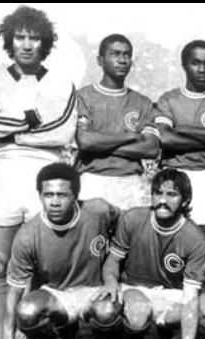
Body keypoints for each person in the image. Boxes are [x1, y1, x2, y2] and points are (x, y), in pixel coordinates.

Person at [0, 6, 77, 339]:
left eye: (34, 37)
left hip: (45, 176)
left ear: (45, 42)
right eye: (20, 36)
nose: (27, 44)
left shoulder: (62, 84)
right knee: (0, 264)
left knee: (40, 266)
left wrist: (12, 130)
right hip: (1, 176)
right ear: (9, 40)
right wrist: (30, 121)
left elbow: (62, 130)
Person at [89, 168, 205, 339]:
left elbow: (190, 297)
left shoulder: (195, 238)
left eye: (172, 194)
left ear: (185, 200)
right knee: (136, 312)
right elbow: (112, 261)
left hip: (172, 294)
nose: (163, 200)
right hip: (134, 288)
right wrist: (111, 281)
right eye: (158, 193)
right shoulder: (133, 218)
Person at [0, 163, 120, 339]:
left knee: (108, 309)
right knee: (26, 311)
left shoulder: (98, 211)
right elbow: (13, 296)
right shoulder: (28, 235)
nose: (54, 202)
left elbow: (124, 232)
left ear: (75, 196)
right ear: (40, 196)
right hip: (57, 295)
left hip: (94, 290)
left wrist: (113, 274)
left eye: (62, 195)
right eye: (48, 195)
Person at [155, 40, 205, 237]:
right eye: (195, 63)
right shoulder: (169, 98)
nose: (202, 69)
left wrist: (181, 129)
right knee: (170, 235)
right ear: (184, 65)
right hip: (174, 174)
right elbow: (165, 138)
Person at [74, 34, 161, 209]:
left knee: (129, 235)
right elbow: (85, 142)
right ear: (100, 60)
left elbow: (151, 149)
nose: (122, 60)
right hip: (92, 179)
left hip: (130, 182)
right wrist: (129, 136)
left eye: (127, 55)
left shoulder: (142, 102)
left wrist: (101, 145)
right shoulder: (84, 95)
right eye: (115, 54)